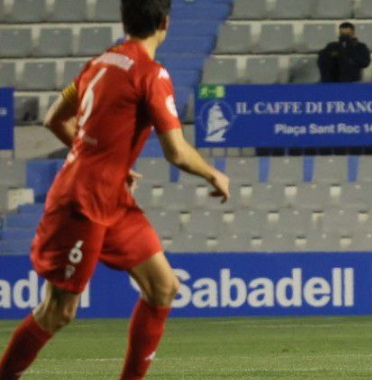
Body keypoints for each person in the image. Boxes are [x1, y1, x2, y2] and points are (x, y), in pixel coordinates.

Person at [0, 1, 230, 379]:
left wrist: (106, 161)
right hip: (83, 201)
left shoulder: (101, 63)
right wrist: (213, 175)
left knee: (163, 288)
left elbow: (54, 118)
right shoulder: (150, 74)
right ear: (165, 24)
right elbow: (176, 151)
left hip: (110, 197)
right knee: (59, 310)